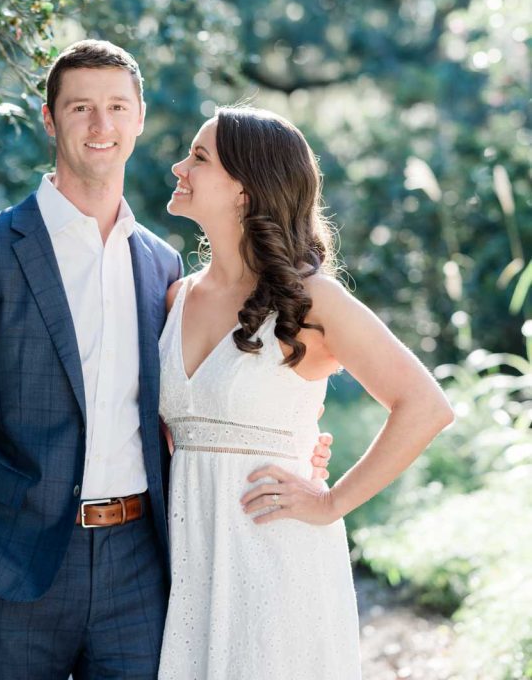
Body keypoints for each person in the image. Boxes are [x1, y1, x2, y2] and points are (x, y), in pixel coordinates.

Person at [0, 40, 332, 680]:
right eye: (80, 108)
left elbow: (192, 405)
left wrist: (291, 446)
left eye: (116, 107)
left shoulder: (163, 264)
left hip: (140, 563)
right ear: (50, 119)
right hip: (7, 564)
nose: (100, 126)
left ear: (139, 117)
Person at [157, 105, 455, 680]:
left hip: (278, 560)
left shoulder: (311, 300)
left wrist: (331, 501)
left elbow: (424, 406)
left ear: (246, 191)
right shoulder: (175, 298)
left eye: (198, 157)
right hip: (191, 564)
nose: (178, 167)